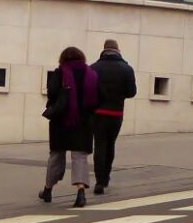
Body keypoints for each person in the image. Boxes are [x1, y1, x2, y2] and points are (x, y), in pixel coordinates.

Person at [40, 47, 98, 208]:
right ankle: (80, 192)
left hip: (61, 122)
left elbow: (51, 93)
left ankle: (48, 190)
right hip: (84, 122)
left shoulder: (59, 73)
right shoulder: (91, 74)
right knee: (79, 157)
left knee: (56, 156)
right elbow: (97, 99)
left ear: (63, 59)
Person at [89, 38, 137, 195]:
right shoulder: (126, 69)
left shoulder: (93, 68)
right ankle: (106, 177)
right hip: (116, 113)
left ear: (103, 49)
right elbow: (131, 92)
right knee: (110, 145)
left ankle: (98, 182)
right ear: (118, 50)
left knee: (100, 145)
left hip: (98, 113)